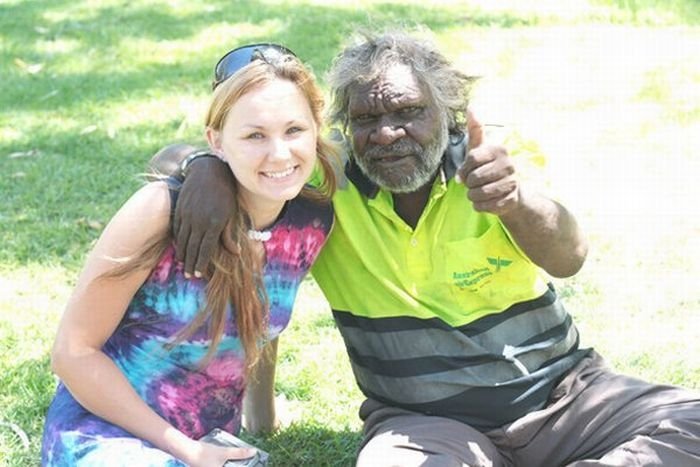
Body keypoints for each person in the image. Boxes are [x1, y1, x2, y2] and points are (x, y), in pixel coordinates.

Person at [161, 31, 700, 466]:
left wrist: (513, 202)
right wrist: (204, 166)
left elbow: (569, 256)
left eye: (409, 112)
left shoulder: (492, 162)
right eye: (367, 120)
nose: (389, 134)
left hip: (565, 398)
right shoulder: (322, 186)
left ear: (448, 113)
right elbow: (181, 156)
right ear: (345, 129)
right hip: (422, 424)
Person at [40, 43, 337, 466]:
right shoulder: (161, 210)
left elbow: (260, 319)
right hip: (106, 435)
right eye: (254, 135)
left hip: (208, 442)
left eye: (294, 130)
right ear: (216, 140)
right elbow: (72, 354)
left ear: (316, 128)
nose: (280, 154)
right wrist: (188, 451)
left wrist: (261, 418)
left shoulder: (310, 220)